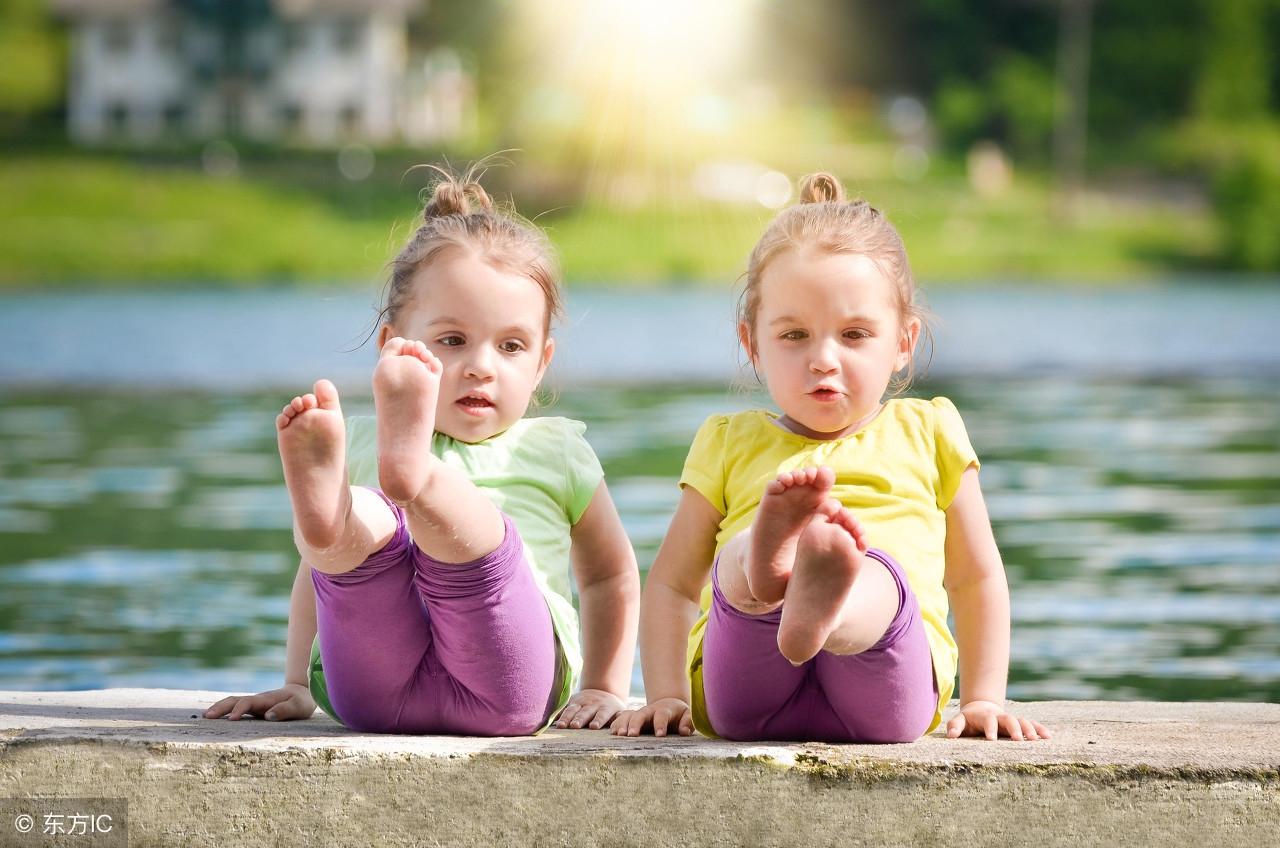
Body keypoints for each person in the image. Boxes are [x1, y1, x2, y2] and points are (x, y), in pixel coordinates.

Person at [613, 173, 1049, 743]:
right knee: (738, 571)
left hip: (885, 687)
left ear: (902, 342)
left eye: (854, 334)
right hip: (743, 691)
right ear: (752, 344)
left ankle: (830, 596)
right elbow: (672, 584)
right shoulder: (727, 440)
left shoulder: (928, 429)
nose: (822, 358)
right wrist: (666, 696)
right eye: (794, 336)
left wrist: (986, 698)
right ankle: (767, 566)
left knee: (877, 580)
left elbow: (976, 575)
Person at [206, 166, 639, 735]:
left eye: (511, 346)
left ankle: (417, 481)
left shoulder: (555, 448)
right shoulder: (359, 441)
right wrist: (295, 684)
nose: (481, 365)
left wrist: (606, 688)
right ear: (392, 346)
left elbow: (610, 575)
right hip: (373, 687)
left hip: (506, 683)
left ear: (542, 364)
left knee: (465, 540)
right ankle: (346, 512)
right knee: (346, 544)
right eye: (452, 341)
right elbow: (315, 574)